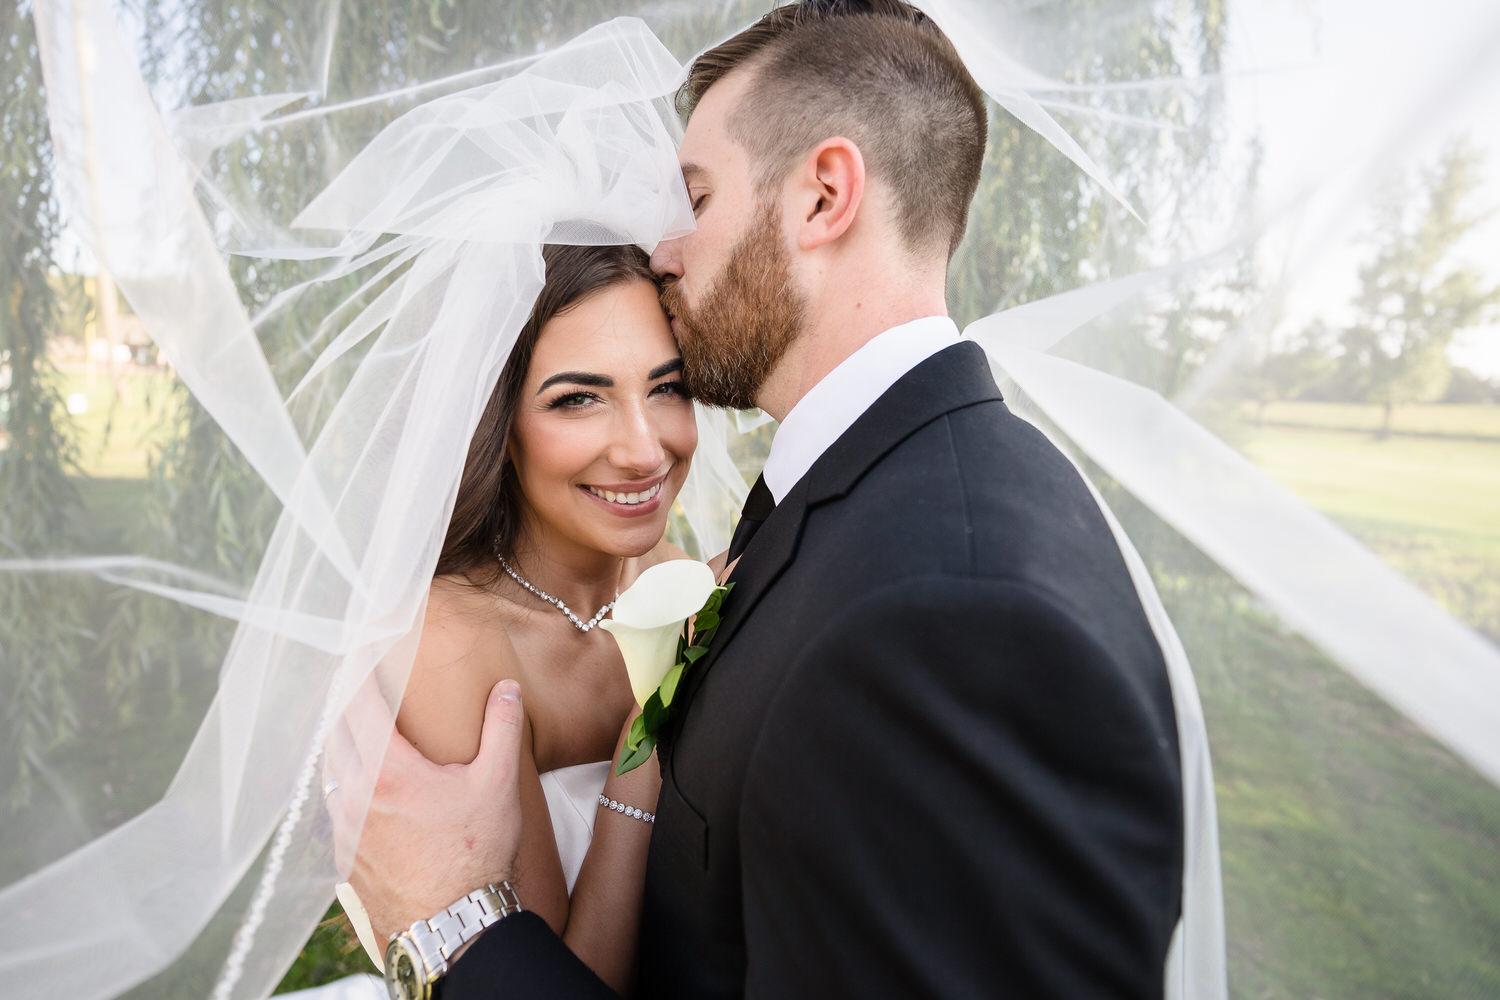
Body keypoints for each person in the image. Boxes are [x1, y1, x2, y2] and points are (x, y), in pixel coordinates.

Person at [331, 2, 1184, 998]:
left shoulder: (946, 617)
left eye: (695, 197)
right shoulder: (856, 499)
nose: (665, 250)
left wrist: (447, 925)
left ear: (823, 196)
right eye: (579, 396)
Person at [342, 241, 695, 994]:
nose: (644, 449)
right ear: (497, 424)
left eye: (667, 387)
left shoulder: (673, 576)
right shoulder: (454, 645)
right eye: (578, 398)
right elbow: (552, 980)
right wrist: (644, 754)